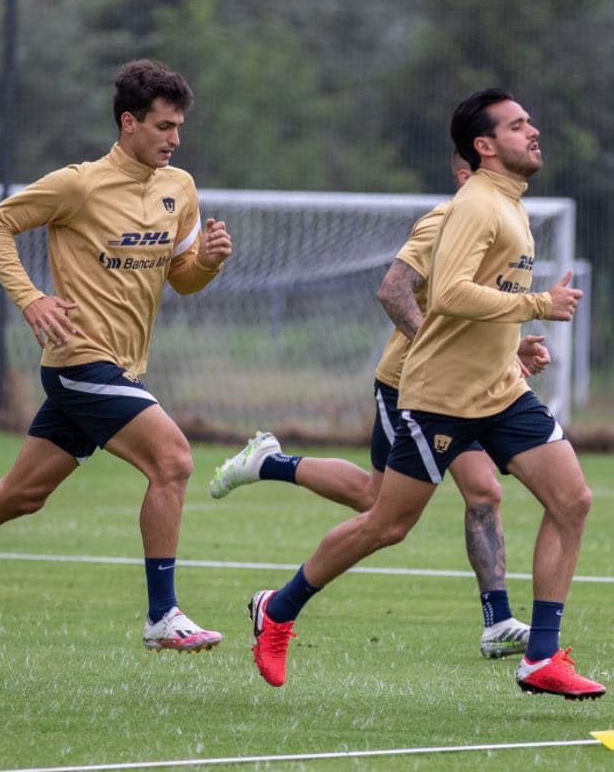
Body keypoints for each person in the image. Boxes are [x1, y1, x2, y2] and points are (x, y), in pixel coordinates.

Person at [246, 88, 604, 699]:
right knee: (385, 523)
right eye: (519, 126)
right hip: (439, 398)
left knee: (571, 500)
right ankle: (278, 609)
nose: (534, 130)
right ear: (485, 147)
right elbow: (449, 295)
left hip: (500, 394)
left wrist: (515, 342)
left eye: (530, 122)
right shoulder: (476, 206)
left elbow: (480, 301)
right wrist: (538, 303)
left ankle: (540, 658)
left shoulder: (512, 205)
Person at [0, 59, 233, 652]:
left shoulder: (180, 189)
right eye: (164, 126)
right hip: (79, 361)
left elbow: (183, 280)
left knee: (22, 494)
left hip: (120, 369)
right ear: (128, 123)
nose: (175, 139)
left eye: (179, 127)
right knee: (172, 461)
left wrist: (211, 261)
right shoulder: (79, 184)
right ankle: (162, 615)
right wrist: (31, 298)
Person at [209, 151, 548, 659]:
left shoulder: (501, 217)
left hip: (471, 387)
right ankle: (271, 464)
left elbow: (478, 304)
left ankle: (497, 621)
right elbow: (392, 290)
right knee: (379, 506)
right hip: (413, 386)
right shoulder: (447, 218)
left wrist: (505, 348)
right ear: (468, 170)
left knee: (484, 492)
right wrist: (443, 351)